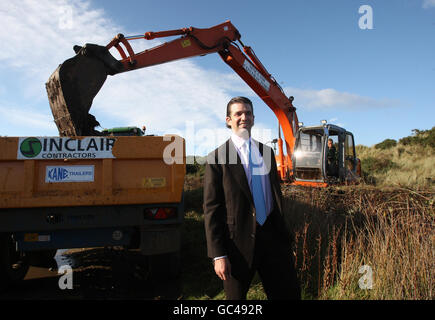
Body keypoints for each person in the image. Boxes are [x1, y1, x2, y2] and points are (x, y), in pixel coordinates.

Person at [203, 96, 301, 300]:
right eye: (238, 113)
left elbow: (274, 195)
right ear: (228, 120)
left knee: (288, 294)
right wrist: (218, 254)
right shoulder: (217, 158)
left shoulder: (267, 153)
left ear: (254, 118)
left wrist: (284, 237)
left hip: (273, 239)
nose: (243, 117)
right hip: (237, 244)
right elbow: (212, 209)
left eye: (248, 113)